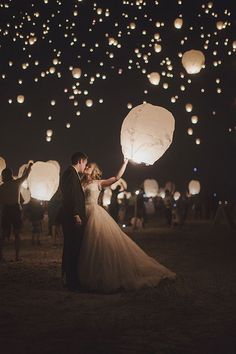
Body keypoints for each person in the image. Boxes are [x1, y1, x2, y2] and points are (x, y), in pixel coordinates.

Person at [79, 159, 176, 293]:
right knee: (84, 244)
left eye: (89, 166)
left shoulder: (98, 183)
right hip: (82, 213)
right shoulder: (81, 182)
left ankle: (100, 274)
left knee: (96, 243)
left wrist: (124, 163)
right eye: (86, 165)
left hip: (94, 213)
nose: (86, 167)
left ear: (94, 171)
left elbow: (116, 178)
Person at [60, 151, 88, 292]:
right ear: (80, 161)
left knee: (71, 248)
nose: (85, 166)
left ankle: (69, 279)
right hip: (72, 218)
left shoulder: (70, 173)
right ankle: (72, 282)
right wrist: (76, 213)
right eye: (85, 163)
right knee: (73, 249)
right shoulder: (70, 174)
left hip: (70, 217)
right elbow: (70, 196)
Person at [0, 162, 33, 261]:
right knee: (17, 234)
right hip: (15, 209)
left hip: (6, 210)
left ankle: (1, 256)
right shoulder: (16, 183)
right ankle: (17, 256)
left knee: (3, 233)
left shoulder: (1, 187)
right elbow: (25, 176)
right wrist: (30, 167)